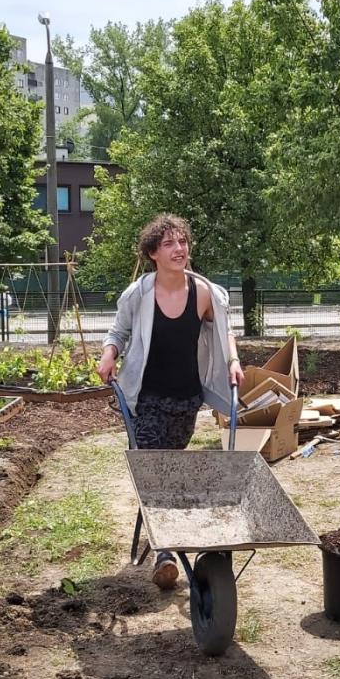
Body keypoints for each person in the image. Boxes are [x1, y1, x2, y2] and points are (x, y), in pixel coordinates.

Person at [96, 214, 244, 590]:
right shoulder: (139, 294)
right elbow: (119, 330)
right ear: (152, 254)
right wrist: (109, 354)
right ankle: (164, 552)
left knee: (170, 468)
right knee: (151, 467)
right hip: (147, 398)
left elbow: (224, 328)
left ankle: (163, 534)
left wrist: (233, 361)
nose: (179, 249)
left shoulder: (205, 292)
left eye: (182, 242)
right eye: (169, 244)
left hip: (187, 399)